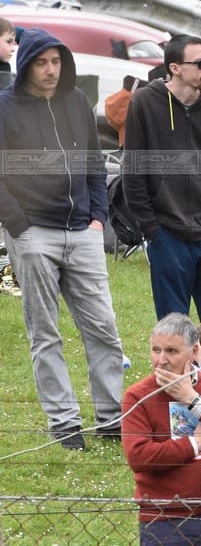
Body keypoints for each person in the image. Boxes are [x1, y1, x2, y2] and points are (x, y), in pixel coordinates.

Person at [0, 28, 125, 449]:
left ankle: (111, 419)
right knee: (45, 332)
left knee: (104, 328)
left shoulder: (76, 102)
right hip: (32, 232)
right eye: (42, 62)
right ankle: (65, 423)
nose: (50, 70)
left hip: (83, 231)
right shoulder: (4, 107)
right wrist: (18, 224)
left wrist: (98, 217)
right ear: (26, 65)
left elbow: (93, 162)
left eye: (56, 61)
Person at [123, 35, 201, 331]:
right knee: (173, 331)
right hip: (167, 234)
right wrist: (152, 229)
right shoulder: (144, 103)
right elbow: (133, 173)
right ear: (175, 68)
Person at [122, 313, 201, 545]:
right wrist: (194, 444)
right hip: (163, 516)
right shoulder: (138, 395)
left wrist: (193, 400)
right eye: (156, 350)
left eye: (171, 351)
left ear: (194, 351)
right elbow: (139, 456)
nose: (161, 360)